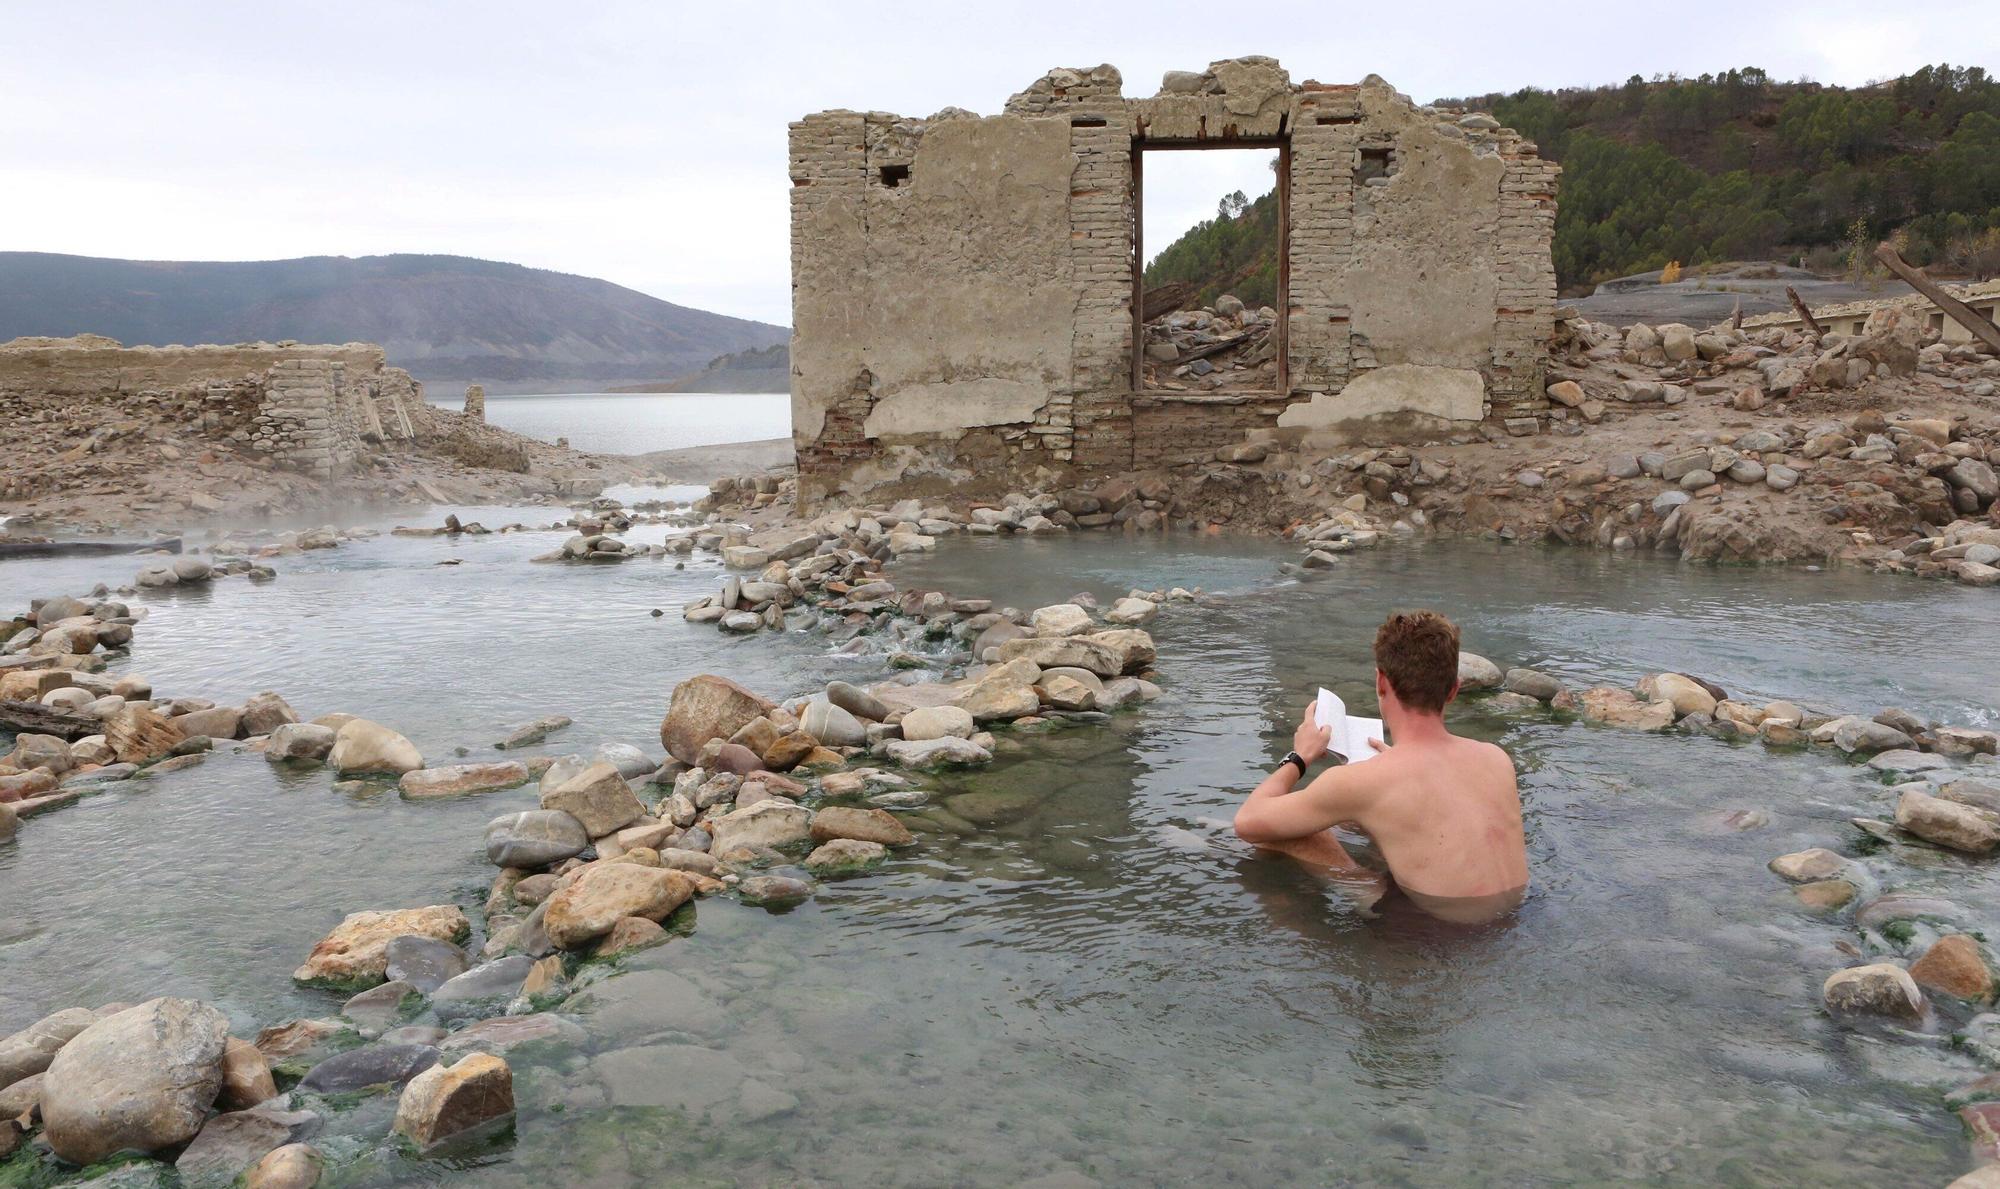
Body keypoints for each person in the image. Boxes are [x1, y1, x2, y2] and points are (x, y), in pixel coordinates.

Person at [1232, 609, 1529, 922]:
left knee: (1293, 831)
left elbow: (1248, 822)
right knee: (1363, 819)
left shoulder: (1364, 782)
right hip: (1519, 918)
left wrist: (1300, 758)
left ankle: (1362, 888)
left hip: (1436, 936)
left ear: (1381, 682)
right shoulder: (1495, 757)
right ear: (1454, 690)